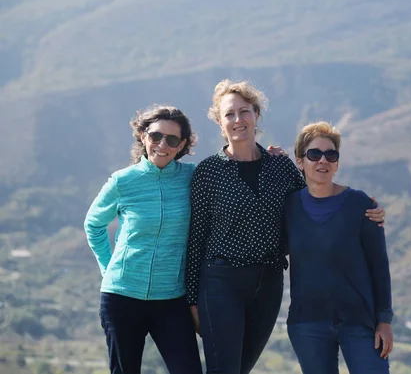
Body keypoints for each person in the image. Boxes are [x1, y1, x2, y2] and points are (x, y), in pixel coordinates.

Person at [185, 79, 386, 374]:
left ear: (256, 115)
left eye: (245, 111)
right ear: (219, 121)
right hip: (221, 283)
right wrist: (192, 302)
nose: (238, 120)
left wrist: (360, 205)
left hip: (268, 283)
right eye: (229, 114)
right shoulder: (208, 173)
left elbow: (315, 196)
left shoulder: (280, 166)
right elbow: (196, 238)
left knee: (242, 368)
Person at [84, 105, 203, 374]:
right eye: (155, 136)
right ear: (143, 136)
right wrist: (108, 268)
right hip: (122, 297)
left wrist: (267, 156)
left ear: (182, 144)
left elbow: (230, 167)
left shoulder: (193, 177)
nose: (162, 145)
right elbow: (94, 224)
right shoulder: (122, 182)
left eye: (172, 140)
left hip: (171, 299)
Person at [284, 121, 394, 374]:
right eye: (314, 154)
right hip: (307, 324)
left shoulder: (360, 204)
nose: (323, 160)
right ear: (300, 161)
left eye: (330, 155)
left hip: (360, 323)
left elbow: (379, 265)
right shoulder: (288, 207)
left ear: (337, 163)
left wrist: (384, 321)